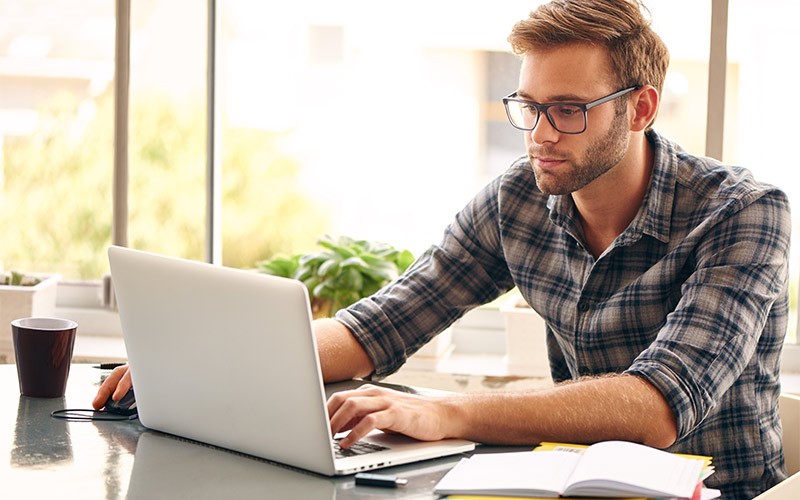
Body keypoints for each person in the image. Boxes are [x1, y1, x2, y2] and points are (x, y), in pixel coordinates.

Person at [94, 0, 791, 497]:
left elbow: (656, 409)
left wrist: (444, 411)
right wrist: (199, 364)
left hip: (718, 492)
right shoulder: (518, 198)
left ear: (639, 109)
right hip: (570, 484)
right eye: (528, 106)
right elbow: (380, 325)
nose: (540, 134)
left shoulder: (744, 214)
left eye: (569, 110)